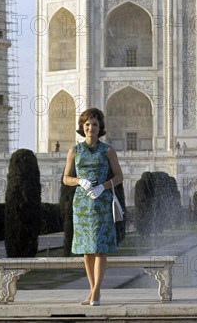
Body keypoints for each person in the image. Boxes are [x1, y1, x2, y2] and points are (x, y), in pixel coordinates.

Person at [63, 108, 123, 306]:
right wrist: (79, 181)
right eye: (87, 124)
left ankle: (96, 292)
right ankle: (92, 290)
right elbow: (66, 178)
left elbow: (119, 176)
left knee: (99, 249)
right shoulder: (75, 150)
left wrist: (102, 187)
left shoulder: (107, 150)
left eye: (95, 124)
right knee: (87, 251)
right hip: (81, 204)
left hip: (101, 202)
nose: (91, 128)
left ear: (100, 128)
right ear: (83, 127)